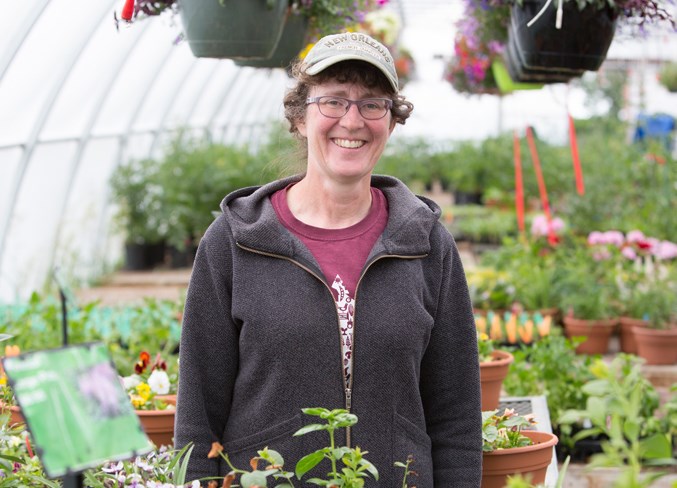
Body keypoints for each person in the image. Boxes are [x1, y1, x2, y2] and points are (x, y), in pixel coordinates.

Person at [174, 31, 482, 486]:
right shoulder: (234, 243)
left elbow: (456, 418)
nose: (352, 120)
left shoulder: (427, 244)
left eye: (372, 103)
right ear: (300, 117)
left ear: (391, 121)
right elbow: (197, 417)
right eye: (333, 101)